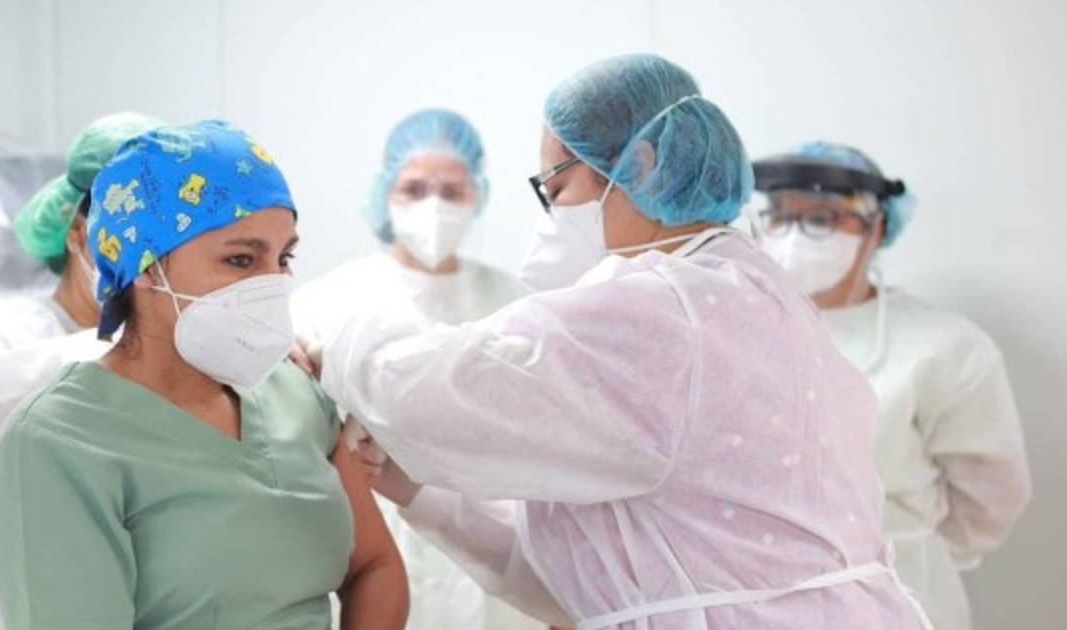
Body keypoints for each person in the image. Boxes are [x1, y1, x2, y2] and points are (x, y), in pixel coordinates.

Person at [317, 53, 933, 629]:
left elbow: (442, 385)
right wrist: (419, 491)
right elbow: (595, 565)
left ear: (638, 165)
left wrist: (324, 342)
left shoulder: (662, 312)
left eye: (556, 188)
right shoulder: (755, 293)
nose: (550, 216)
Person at [0, 120, 407, 629]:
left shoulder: (294, 394)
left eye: (284, 257)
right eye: (241, 259)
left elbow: (375, 567)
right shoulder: (58, 443)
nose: (274, 283)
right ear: (147, 265)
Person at [0, 112, 163, 630]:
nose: (149, 258)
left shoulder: (187, 350)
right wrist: (129, 351)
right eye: (128, 232)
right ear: (78, 232)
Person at [754, 141, 1031, 630]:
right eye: (779, 215)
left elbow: (992, 498)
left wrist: (908, 552)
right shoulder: (742, 330)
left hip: (904, 599)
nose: (793, 236)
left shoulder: (946, 346)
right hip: (763, 600)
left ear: (876, 227)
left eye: (820, 218)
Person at [291, 109, 538, 630]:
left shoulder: (516, 302)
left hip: (494, 558)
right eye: (415, 189)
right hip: (373, 550)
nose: (434, 206)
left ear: (477, 195)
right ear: (385, 192)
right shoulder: (329, 300)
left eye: (451, 192)